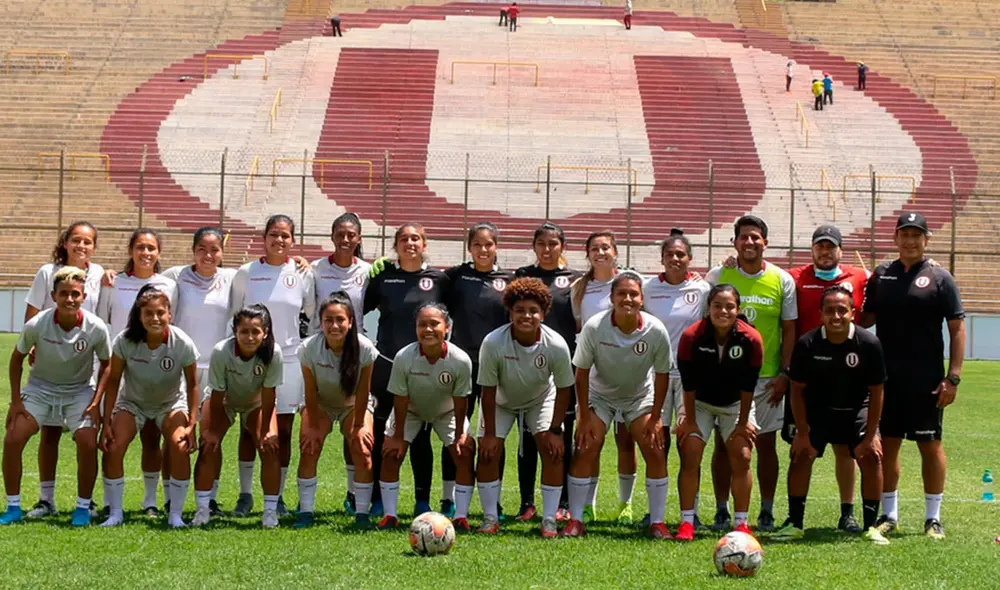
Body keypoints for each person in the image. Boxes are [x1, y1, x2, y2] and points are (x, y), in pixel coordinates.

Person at [860, 211, 965, 540]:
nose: (910, 240)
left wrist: (953, 377)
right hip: (887, 378)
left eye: (916, 235)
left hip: (926, 378)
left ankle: (933, 518)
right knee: (887, 446)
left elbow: (957, 328)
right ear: (895, 239)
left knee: (929, 444)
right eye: (904, 234)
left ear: (926, 240)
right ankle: (889, 515)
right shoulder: (882, 275)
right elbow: (864, 319)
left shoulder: (940, 277)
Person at [773, 286, 889, 545]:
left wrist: (872, 435)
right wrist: (802, 433)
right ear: (820, 313)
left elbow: (877, 391)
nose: (835, 316)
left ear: (852, 312)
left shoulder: (869, 344)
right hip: (819, 410)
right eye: (829, 311)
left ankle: (871, 526)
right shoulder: (807, 343)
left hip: (856, 409)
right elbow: (797, 390)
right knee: (801, 454)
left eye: (841, 310)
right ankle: (794, 523)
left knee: (871, 456)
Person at [564, 271, 673, 538]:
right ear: (611, 298)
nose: (627, 298)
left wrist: (656, 416)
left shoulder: (655, 329)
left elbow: (662, 376)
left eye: (633, 294)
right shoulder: (595, 326)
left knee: (655, 448)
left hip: (638, 396)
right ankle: (576, 519)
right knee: (586, 446)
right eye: (621, 293)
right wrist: (585, 416)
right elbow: (581, 373)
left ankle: (657, 522)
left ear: (641, 298)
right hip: (599, 396)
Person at [705, 215, 796, 532]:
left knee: (766, 445)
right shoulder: (720, 274)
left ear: (765, 243)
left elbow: (789, 329)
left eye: (756, 237)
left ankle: (767, 511)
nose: (749, 242)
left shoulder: (782, 280)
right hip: (726, 376)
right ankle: (721, 510)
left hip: (767, 379)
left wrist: (785, 373)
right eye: (743, 237)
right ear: (735, 242)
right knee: (723, 444)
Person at [2, 267, 111, 526]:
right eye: (64, 294)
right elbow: (16, 359)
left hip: (78, 391)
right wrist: (16, 401)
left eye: (75, 294)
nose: (70, 299)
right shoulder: (37, 324)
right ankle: (13, 506)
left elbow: (107, 364)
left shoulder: (95, 327)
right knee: (13, 438)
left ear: (83, 296)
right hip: (40, 389)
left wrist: (96, 402)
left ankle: (83, 508)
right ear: (53, 296)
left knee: (86, 442)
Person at [785, 224, 870, 533]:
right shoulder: (794, 277)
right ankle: (795, 518)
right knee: (801, 447)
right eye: (819, 246)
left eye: (830, 246)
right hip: (806, 375)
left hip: (848, 372)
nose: (824, 251)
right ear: (812, 250)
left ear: (840, 251)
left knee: (845, 449)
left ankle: (847, 513)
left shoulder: (859, 277)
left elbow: (879, 296)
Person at [230, 215, 316, 517]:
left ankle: (276, 496)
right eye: (273, 235)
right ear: (263, 238)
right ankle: (245, 494)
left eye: (285, 236)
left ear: (293, 240)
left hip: (290, 359)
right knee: (248, 428)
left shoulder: (303, 273)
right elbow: (235, 315)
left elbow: (309, 312)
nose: (279, 241)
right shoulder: (246, 272)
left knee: (284, 428)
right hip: (252, 359)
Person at [475, 278, 574, 537]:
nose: (526, 315)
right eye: (519, 310)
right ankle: (489, 517)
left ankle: (550, 520)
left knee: (552, 450)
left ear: (543, 313)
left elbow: (564, 389)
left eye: (533, 310)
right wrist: (489, 434)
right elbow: (487, 390)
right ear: (510, 312)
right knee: (487, 452)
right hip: (500, 401)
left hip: (540, 399)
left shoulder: (556, 344)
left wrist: (554, 429)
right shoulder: (493, 342)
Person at [363, 223, 450, 517]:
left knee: (421, 434)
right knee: (381, 432)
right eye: (403, 239)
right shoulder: (383, 277)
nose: (410, 243)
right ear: (395, 245)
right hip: (386, 365)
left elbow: (449, 319)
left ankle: (422, 500)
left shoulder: (439, 279)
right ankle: (377, 498)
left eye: (415, 238)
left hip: (424, 368)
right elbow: (357, 310)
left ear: (424, 244)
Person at [22, 222, 104, 519]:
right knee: (50, 433)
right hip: (51, 362)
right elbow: (32, 313)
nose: (81, 246)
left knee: (87, 434)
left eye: (87, 242)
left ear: (94, 247)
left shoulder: (99, 275)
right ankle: (46, 500)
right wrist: (33, 346)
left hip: (87, 365)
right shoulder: (47, 272)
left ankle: (89, 500)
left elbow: (102, 315)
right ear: (66, 242)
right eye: (76, 240)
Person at [431, 223, 513, 520]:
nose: (483, 249)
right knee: (457, 431)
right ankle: (448, 497)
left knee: (493, 433)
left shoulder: (508, 280)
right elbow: (423, 278)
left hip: (496, 368)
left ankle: (495, 499)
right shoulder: (455, 277)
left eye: (488, 244)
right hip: (460, 367)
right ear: (469, 247)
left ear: (496, 247)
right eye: (477, 244)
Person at [99, 285, 199, 527]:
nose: (155, 318)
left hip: (170, 403)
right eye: (149, 314)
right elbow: (113, 381)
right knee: (113, 447)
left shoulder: (181, 342)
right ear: (139, 315)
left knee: (179, 445)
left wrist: (192, 424)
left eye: (160, 313)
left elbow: (193, 384)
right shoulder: (125, 340)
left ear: (169, 314)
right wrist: (106, 422)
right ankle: (115, 513)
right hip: (133, 403)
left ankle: (175, 514)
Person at [96, 228, 177, 519]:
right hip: (122, 367)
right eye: (140, 247)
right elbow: (103, 318)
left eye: (151, 248)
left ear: (159, 253)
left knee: (153, 438)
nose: (146, 253)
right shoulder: (113, 282)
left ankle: (150, 500)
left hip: (155, 368)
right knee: (114, 437)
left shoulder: (168, 283)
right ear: (131, 250)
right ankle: (109, 502)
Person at [674, 284, 763, 540]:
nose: (723, 311)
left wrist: (743, 422)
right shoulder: (692, 336)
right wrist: (689, 422)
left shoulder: (751, 339)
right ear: (708, 308)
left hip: (735, 404)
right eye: (717, 306)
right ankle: (687, 522)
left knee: (742, 454)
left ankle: (741, 523)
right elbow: (688, 385)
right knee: (690, 450)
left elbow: (748, 387)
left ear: (738, 310)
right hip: (699, 402)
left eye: (729, 306)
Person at [376, 303, 476, 530]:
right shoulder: (404, 357)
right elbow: (400, 399)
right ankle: (390, 515)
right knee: (391, 453)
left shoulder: (460, 360)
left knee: (465, 451)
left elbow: (461, 401)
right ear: (415, 328)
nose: (428, 330)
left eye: (434, 324)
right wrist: (398, 436)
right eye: (422, 325)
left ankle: (460, 516)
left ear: (447, 328)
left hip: (446, 411)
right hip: (410, 410)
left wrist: (461, 433)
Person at [191, 304, 282, 528]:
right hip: (223, 401)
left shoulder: (274, 352)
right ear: (235, 331)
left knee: (270, 446)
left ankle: (270, 511)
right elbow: (217, 393)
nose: (250, 337)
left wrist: (266, 431)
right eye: (244, 331)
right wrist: (212, 431)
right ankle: (203, 508)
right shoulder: (222, 351)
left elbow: (269, 393)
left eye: (255, 332)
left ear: (266, 332)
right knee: (209, 445)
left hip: (256, 402)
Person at [515, 222, 582, 521]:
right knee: (528, 436)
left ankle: (563, 502)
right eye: (541, 243)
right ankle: (527, 502)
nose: (547, 249)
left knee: (560, 435)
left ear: (562, 247)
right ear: (534, 246)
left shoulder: (576, 280)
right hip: (528, 368)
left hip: (563, 369)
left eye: (553, 243)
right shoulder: (521, 277)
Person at [642, 229, 710, 525]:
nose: (675, 259)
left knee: (689, 444)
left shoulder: (703, 289)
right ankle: (655, 513)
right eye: (669, 254)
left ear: (690, 258)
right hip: (655, 374)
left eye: (680, 254)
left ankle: (690, 513)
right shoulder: (647, 289)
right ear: (662, 259)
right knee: (657, 443)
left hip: (688, 376)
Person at [570, 230, 637, 525]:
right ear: (588, 254)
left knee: (626, 441)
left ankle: (626, 503)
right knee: (591, 440)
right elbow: (579, 329)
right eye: (595, 248)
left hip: (630, 372)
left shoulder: (633, 280)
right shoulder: (579, 288)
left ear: (616, 252)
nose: (600, 252)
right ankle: (589, 505)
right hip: (595, 375)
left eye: (606, 247)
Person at [296, 293, 378, 529]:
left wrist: (359, 426)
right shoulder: (309, 349)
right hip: (320, 404)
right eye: (328, 320)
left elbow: (364, 391)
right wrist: (311, 426)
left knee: (362, 448)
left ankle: (362, 514)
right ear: (320, 322)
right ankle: (306, 511)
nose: (334, 325)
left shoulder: (365, 348)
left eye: (340, 319)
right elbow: (310, 392)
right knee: (309, 446)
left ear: (350, 321)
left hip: (353, 405)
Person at [311, 212, 371, 514]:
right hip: (321, 354)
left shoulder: (369, 272)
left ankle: (353, 495)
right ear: (332, 236)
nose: (346, 239)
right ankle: (302, 504)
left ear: (359, 238)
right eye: (340, 234)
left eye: (351, 234)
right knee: (311, 437)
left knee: (355, 434)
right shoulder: (315, 269)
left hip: (353, 357)